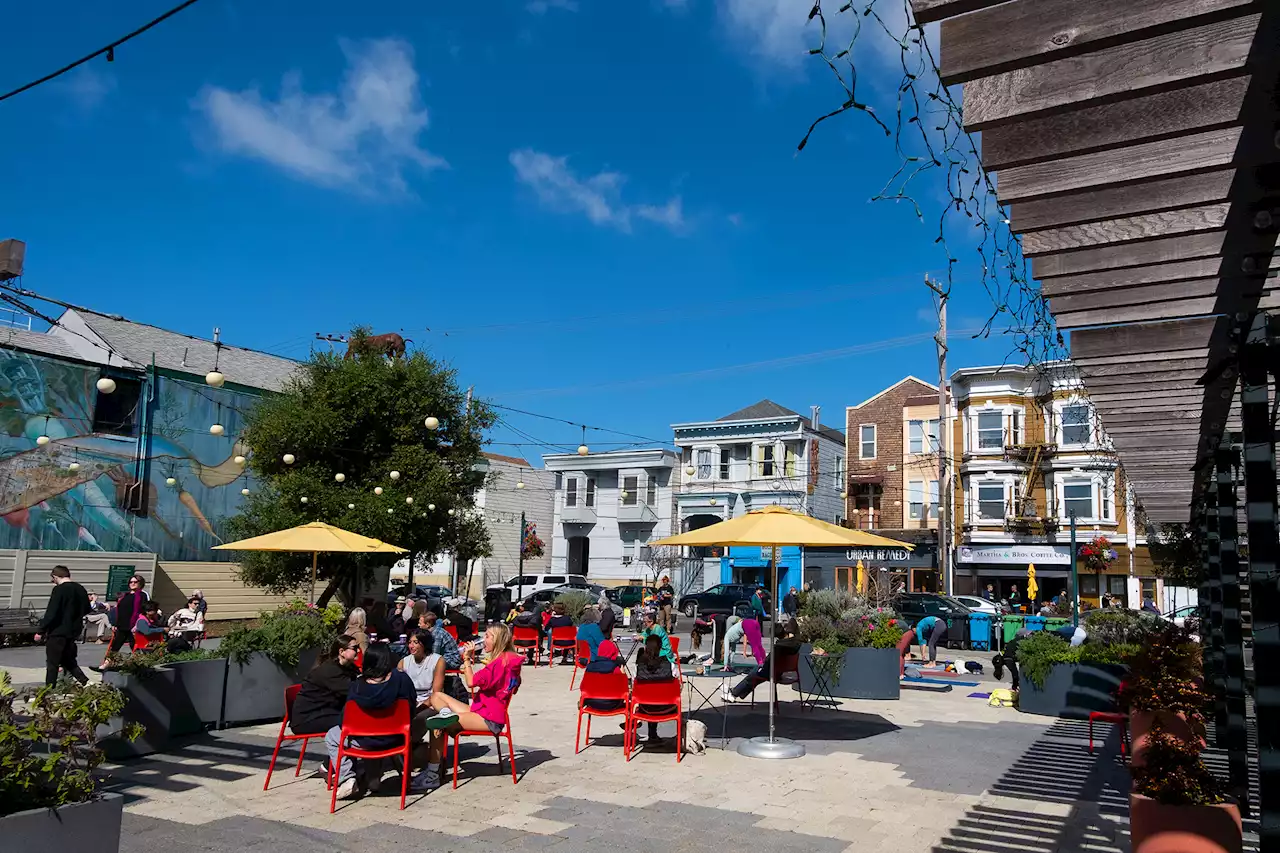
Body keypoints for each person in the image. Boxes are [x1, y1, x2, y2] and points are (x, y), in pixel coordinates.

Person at [422, 624, 524, 792]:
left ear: (498, 640)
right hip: (484, 710)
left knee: (437, 724)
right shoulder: (509, 660)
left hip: (489, 718)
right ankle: (446, 714)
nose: (484, 640)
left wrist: (467, 659)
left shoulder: (497, 664)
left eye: (489, 636)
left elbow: (471, 682)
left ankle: (432, 775)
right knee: (436, 696)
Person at [326, 643, 419, 800]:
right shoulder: (402, 679)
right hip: (396, 738)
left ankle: (347, 777)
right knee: (376, 735)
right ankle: (373, 781)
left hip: (364, 740)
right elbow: (411, 706)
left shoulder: (356, 686)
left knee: (332, 735)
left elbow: (344, 721)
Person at [291, 634, 360, 737]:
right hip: (308, 719)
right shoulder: (330, 671)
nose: (358, 650)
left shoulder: (347, 667)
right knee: (355, 720)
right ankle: (351, 751)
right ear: (341, 652)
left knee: (356, 716)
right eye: (355, 648)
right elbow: (354, 691)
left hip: (326, 711)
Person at [35, 565, 90, 687]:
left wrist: (40, 631)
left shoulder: (59, 590)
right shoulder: (80, 588)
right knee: (68, 659)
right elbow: (87, 608)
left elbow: (51, 612)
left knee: (52, 663)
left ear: (55, 577)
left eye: (52, 579)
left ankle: (49, 689)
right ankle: (84, 681)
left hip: (58, 631)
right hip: (74, 631)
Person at [725, 618, 802, 701]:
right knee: (756, 676)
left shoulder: (779, 647)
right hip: (781, 671)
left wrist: (761, 666)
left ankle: (734, 693)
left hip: (775, 673)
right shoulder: (796, 642)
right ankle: (735, 692)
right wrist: (790, 633)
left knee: (753, 674)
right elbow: (792, 620)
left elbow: (768, 662)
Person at [630, 634, 677, 745]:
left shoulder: (638, 668)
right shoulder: (670, 666)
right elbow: (678, 685)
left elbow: (634, 686)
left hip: (645, 707)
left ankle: (649, 734)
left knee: (646, 697)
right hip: (667, 706)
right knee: (658, 695)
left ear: (645, 648)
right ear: (660, 648)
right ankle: (656, 735)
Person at [397, 629, 445, 732]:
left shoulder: (437, 661)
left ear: (424, 644)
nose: (411, 646)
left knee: (422, 718)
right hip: (410, 702)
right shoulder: (403, 662)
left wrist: (418, 709)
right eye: (410, 642)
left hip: (430, 702)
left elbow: (436, 693)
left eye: (415, 642)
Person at [102, 574, 148, 667]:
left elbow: (142, 611)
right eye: (131, 582)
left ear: (140, 583)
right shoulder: (125, 595)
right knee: (115, 646)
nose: (133, 583)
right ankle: (106, 664)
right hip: (122, 625)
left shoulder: (141, 595)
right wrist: (115, 623)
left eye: (135, 582)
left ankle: (142, 665)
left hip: (132, 626)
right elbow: (119, 610)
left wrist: (137, 624)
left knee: (135, 646)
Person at [581, 639, 626, 712]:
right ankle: (631, 722)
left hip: (592, 703)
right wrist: (623, 675)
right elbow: (624, 688)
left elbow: (582, 687)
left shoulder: (590, 667)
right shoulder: (615, 668)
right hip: (612, 704)